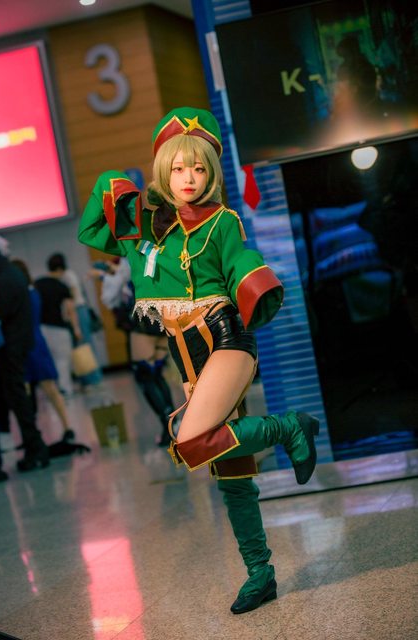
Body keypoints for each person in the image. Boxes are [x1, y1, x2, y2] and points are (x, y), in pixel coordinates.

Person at [78, 106, 319, 614]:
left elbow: (240, 265)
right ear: (163, 169)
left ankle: (288, 427)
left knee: (189, 441)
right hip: (185, 356)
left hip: (225, 341)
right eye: (179, 167)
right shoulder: (147, 226)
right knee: (230, 470)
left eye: (200, 168)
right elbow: (97, 216)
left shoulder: (223, 221)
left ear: (211, 172)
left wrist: (253, 278)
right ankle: (260, 573)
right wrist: (125, 192)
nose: (190, 178)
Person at [90, 257, 176, 446]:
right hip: (164, 316)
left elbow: (110, 297)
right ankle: (173, 421)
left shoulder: (129, 257)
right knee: (156, 374)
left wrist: (106, 276)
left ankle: (168, 426)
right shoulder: (153, 252)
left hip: (144, 321)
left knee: (145, 375)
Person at [0, 231, 49, 472]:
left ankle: (35, 447)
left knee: (17, 398)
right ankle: (34, 446)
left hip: (10, 348)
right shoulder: (11, 273)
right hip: (18, 344)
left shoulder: (3, 279)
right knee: (19, 397)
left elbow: (0, 314)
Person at [11, 259, 76, 442]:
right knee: (50, 388)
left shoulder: (23, 295)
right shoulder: (32, 292)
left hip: (26, 344)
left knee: (28, 392)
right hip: (37, 342)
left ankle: (33, 434)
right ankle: (66, 426)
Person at [35, 254, 82, 397]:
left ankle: (51, 390)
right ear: (61, 269)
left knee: (48, 360)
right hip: (59, 328)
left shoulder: (38, 284)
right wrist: (76, 328)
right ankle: (65, 389)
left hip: (41, 328)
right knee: (62, 360)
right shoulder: (61, 286)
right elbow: (70, 309)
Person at [58, 254, 103, 389]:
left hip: (78, 310)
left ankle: (93, 378)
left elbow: (72, 295)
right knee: (83, 345)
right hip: (79, 310)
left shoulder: (67, 276)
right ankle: (88, 378)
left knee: (85, 344)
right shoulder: (68, 275)